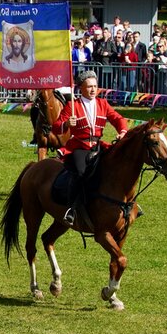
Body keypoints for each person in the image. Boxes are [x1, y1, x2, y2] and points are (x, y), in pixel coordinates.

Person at [52, 70, 128, 226]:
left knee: (116, 167)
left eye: (95, 86)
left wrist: (123, 132)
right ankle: (72, 209)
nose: (93, 90)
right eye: (89, 87)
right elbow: (55, 127)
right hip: (79, 146)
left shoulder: (103, 104)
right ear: (81, 88)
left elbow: (118, 119)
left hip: (98, 145)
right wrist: (66, 124)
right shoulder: (72, 106)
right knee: (81, 172)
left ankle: (126, 202)